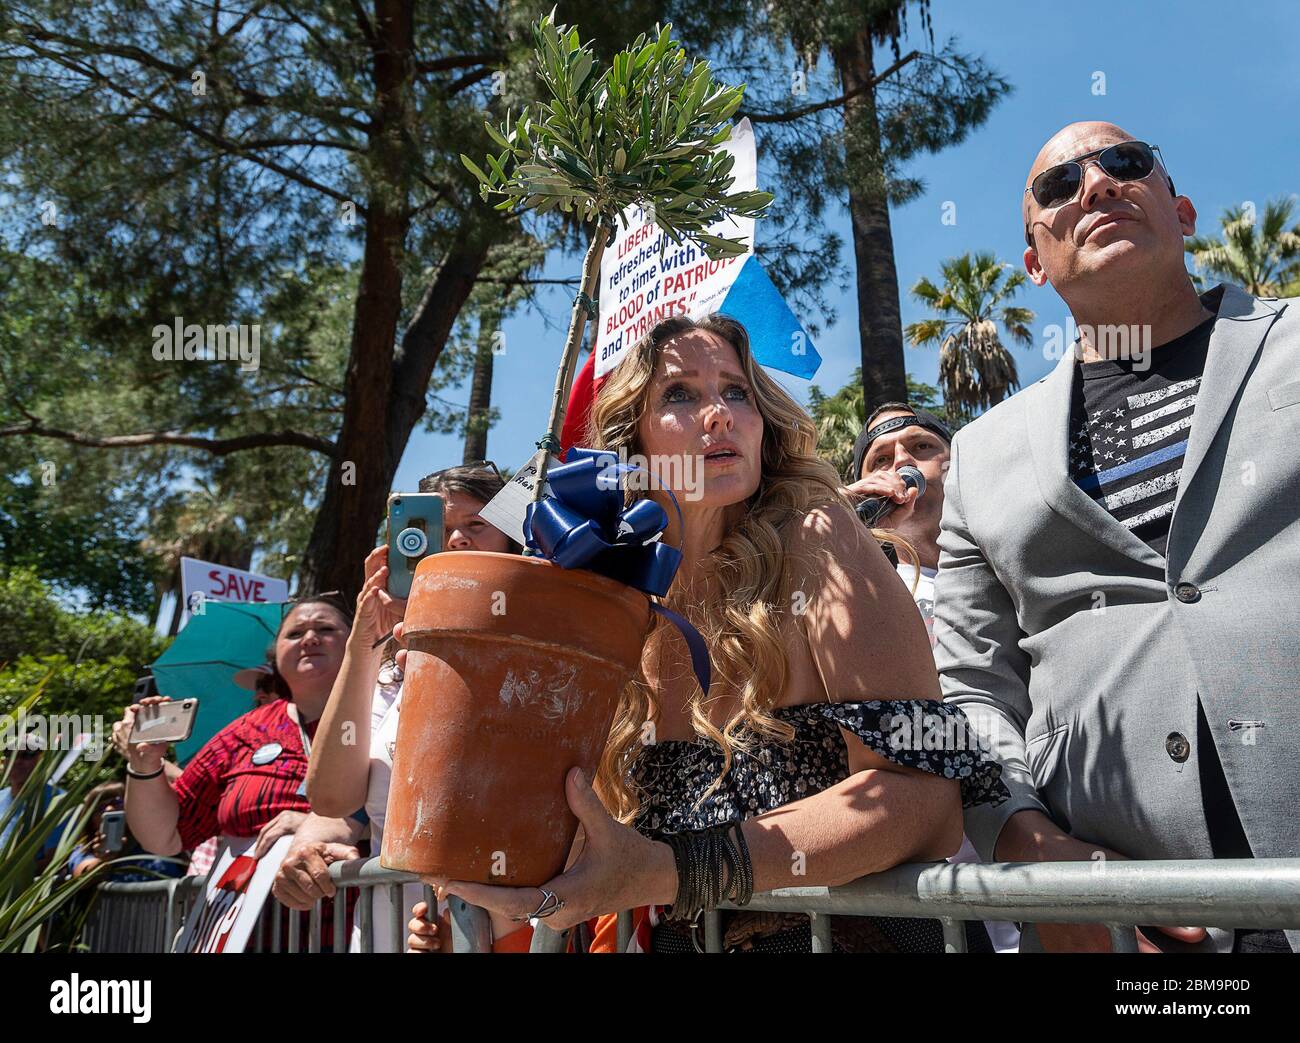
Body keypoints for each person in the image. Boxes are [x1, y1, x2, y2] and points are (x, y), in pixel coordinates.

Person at [409, 315, 1007, 953]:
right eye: (680, 394)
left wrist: (671, 871)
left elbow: (928, 800)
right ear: (629, 442)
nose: (718, 414)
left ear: (762, 420)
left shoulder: (817, 536)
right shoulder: (609, 607)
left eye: (735, 391)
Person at [935, 121, 1300, 953]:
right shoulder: (981, 454)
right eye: (1058, 186)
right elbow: (971, 691)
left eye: (1125, 163)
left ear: (1183, 212)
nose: (1095, 184)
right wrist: (1036, 850)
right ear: (1034, 262)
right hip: (1126, 926)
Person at [275, 465, 529, 953]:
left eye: (476, 526)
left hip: (507, 934)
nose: (455, 539)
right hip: (387, 932)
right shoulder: (386, 675)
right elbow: (330, 797)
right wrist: (364, 641)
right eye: (435, 528)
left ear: (512, 540)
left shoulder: (540, 652)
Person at [846, 404, 1019, 953]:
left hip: (1064, 837)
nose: (901, 462)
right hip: (942, 898)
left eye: (921, 448)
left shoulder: (1023, 564)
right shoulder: (854, 598)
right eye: (880, 458)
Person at [115, 593, 358, 945]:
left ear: (355, 642)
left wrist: (323, 825)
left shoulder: (386, 716)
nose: (309, 638)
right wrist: (146, 764)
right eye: (294, 633)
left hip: (356, 928)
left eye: (325, 628)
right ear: (276, 659)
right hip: (248, 934)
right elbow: (166, 836)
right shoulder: (245, 731)